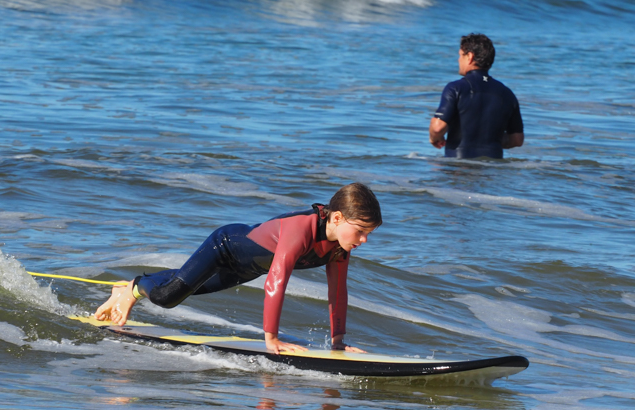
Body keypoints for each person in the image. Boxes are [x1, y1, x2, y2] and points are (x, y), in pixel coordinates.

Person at [95, 182, 382, 354]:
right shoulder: (301, 229)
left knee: (182, 286)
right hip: (224, 247)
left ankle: (124, 289)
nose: (364, 240)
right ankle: (132, 287)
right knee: (167, 297)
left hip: (247, 269)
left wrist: (338, 342)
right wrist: (272, 339)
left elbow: (338, 293)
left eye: (369, 233)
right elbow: (276, 282)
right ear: (337, 218)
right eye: (360, 231)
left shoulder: (340, 250)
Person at [429, 33, 524, 159]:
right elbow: (517, 139)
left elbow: (437, 128)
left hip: (459, 169)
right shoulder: (507, 94)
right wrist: (489, 140)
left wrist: (435, 138)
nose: (458, 60)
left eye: (460, 55)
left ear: (469, 56)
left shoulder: (455, 88)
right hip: (492, 171)